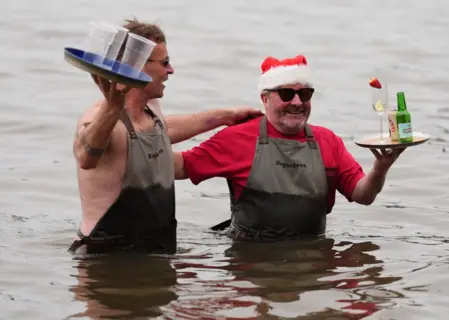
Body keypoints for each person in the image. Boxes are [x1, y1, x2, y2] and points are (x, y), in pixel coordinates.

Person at [67, 18, 263, 254]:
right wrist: (112, 107)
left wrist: (225, 116)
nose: (171, 70)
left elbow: (161, 131)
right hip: (105, 257)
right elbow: (86, 157)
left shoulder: (152, 109)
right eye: (165, 62)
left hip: (156, 252)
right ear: (136, 65)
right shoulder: (98, 118)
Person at [175, 54, 405, 241]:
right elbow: (180, 167)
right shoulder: (236, 138)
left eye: (304, 94)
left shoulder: (328, 141)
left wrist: (380, 168)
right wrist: (144, 138)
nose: (296, 102)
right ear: (265, 99)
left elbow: (363, 195)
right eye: (286, 94)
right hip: (250, 262)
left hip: (311, 259)